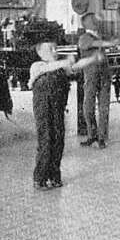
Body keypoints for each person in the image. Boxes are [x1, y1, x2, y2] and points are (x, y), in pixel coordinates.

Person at [29, 41, 100, 189]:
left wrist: (91, 58)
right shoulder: (37, 66)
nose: (54, 51)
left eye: (55, 49)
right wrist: (66, 61)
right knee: (46, 139)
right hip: (43, 107)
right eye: (50, 49)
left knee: (58, 139)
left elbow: (76, 67)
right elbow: (48, 68)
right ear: (40, 53)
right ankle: (40, 178)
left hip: (58, 106)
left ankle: (54, 176)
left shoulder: (62, 67)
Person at [77, 12, 120, 149]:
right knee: (88, 106)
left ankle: (101, 137)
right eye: (92, 20)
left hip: (105, 75)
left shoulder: (101, 35)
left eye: (95, 19)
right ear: (85, 23)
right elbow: (99, 43)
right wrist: (113, 42)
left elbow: (114, 41)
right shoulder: (84, 38)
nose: (95, 21)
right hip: (91, 76)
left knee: (104, 107)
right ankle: (91, 135)